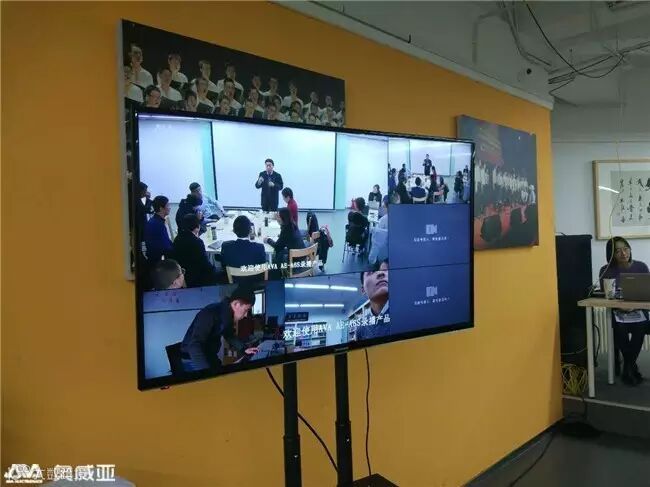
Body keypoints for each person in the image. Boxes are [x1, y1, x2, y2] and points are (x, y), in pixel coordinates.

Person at [599, 237, 649, 385]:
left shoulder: (641, 267)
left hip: (639, 309)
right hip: (618, 311)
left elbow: (646, 294)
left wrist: (634, 306)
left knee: (641, 325)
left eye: (626, 249)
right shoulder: (606, 270)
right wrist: (619, 306)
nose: (623, 253)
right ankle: (631, 367)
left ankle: (628, 366)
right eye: (618, 251)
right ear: (611, 254)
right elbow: (607, 296)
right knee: (620, 327)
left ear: (630, 250)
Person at [180, 287, 259, 372]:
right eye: (246, 310)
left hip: (209, 354)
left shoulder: (227, 314)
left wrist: (244, 349)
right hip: (193, 358)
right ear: (236, 304)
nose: (246, 315)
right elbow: (194, 345)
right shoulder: (210, 313)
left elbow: (229, 335)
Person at [172, 214, 218, 287]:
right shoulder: (197, 242)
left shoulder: (177, 239)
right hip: (197, 278)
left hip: (183, 275)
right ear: (197, 227)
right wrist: (214, 269)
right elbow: (206, 265)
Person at [220, 215, 267, 280]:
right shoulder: (260, 248)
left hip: (234, 281)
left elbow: (223, 265)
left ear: (233, 230)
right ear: (250, 231)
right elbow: (263, 267)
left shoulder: (226, 246)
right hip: (255, 281)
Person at [356, 261, 390, 340]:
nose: (381, 273)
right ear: (363, 289)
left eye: (385, 270)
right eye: (372, 272)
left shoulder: (406, 313)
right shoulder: (361, 328)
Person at [144, 196, 172, 263]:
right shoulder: (158, 224)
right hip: (157, 261)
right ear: (161, 208)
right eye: (168, 205)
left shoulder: (154, 221)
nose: (170, 207)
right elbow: (165, 246)